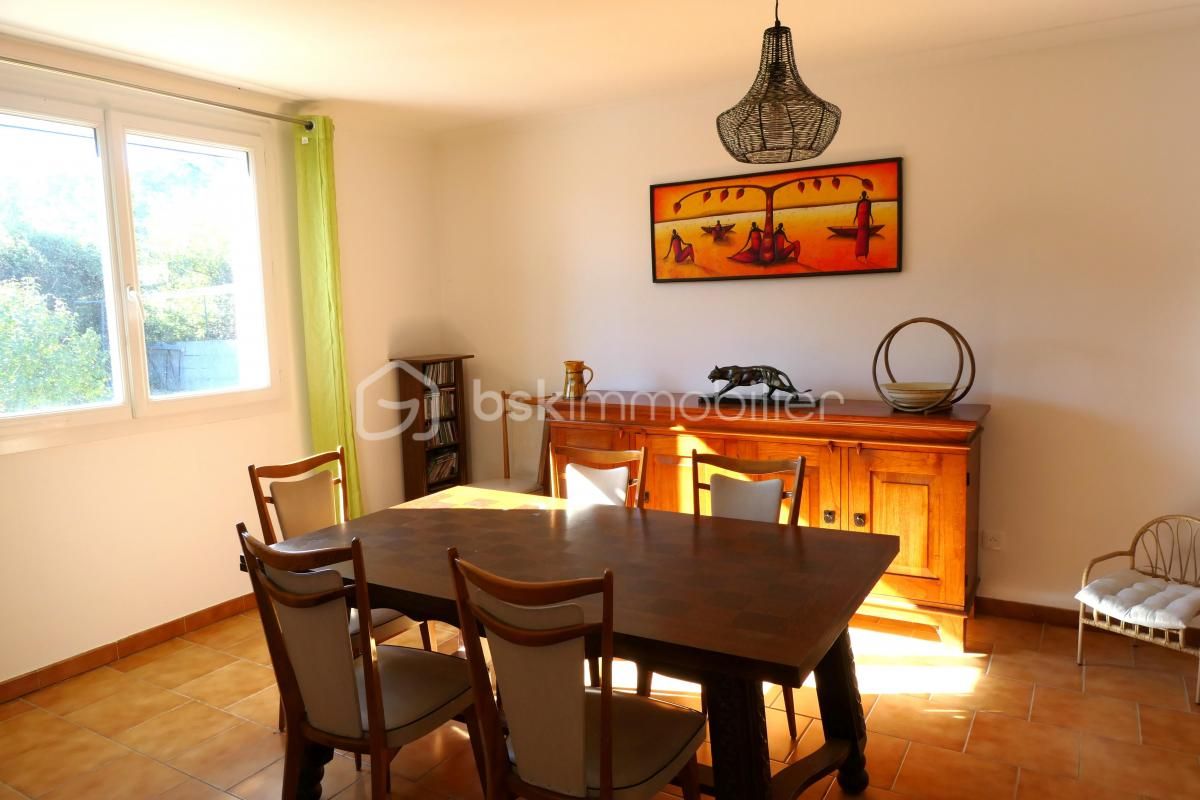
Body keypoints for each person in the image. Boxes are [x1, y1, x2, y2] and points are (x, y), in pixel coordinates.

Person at [854, 191, 874, 260]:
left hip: (865, 219)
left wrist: (871, 217)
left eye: (864, 194)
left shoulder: (869, 202)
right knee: (861, 235)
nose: (863, 195)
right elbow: (856, 212)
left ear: (865, 194)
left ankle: (865, 254)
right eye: (863, 194)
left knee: (865, 236)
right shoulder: (860, 202)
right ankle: (858, 253)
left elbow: (870, 211)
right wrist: (855, 218)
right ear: (862, 195)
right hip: (861, 219)